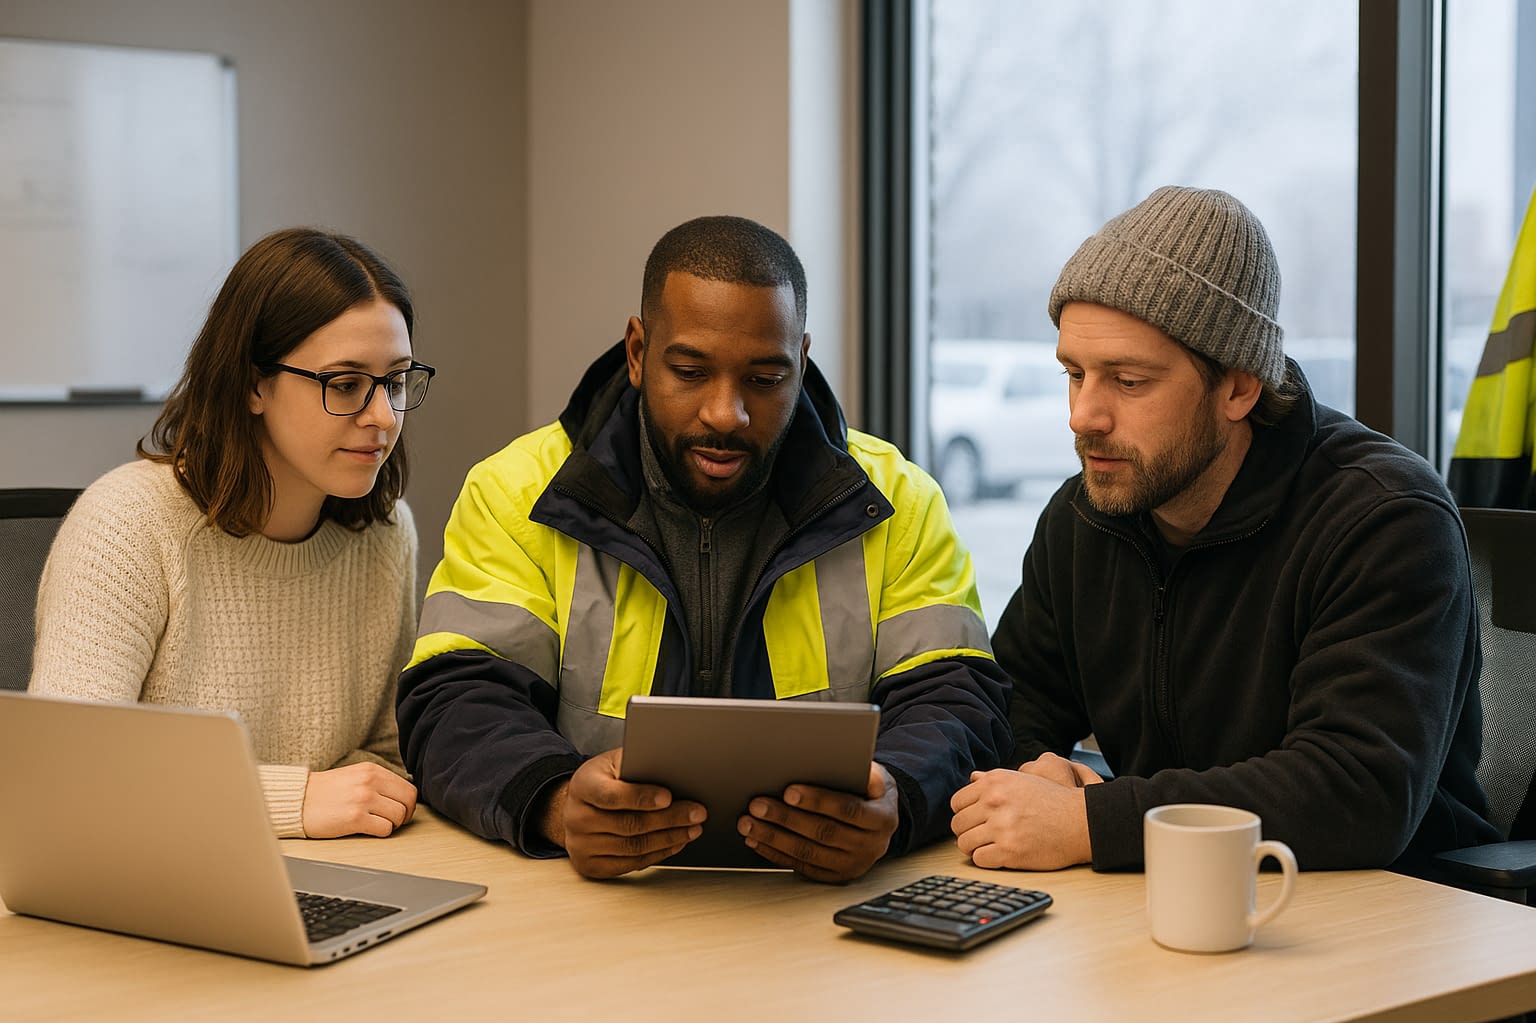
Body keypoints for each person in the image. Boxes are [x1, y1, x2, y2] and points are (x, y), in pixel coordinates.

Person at [398, 215, 1011, 882]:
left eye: (765, 379)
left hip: (818, 920)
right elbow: (454, 701)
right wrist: (552, 799)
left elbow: (957, 702)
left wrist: (898, 795)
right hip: (593, 912)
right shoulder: (514, 494)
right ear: (637, 352)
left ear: (802, 362)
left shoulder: (900, 503)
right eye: (690, 371)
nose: (727, 413)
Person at [950, 186, 1499, 875]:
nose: (1083, 415)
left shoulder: (1385, 517)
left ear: (1239, 388)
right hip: (1175, 905)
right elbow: (1010, 702)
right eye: (1074, 373)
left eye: (1127, 381)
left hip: (1387, 913)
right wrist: (1035, 770)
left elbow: (1356, 790)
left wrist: (1096, 823)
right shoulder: (1086, 515)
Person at [30, 227, 434, 841]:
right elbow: (67, 775)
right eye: (345, 384)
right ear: (252, 384)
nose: (382, 417)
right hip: (149, 875)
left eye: (397, 382)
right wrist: (287, 802)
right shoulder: (126, 524)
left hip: (328, 873)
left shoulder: (384, 533)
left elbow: (381, 754)